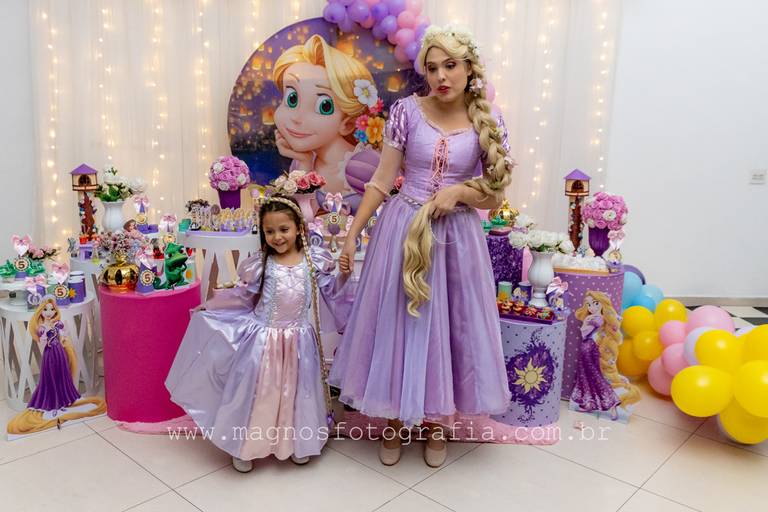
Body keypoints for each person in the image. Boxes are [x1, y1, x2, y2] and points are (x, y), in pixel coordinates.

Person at [330, 25, 515, 468]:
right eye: (432, 68)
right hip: (403, 228)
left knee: (446, 329)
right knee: (399, 324)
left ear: (469, 68)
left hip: (456, 238)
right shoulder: (406, 112)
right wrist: (353, 233)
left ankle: (436, 423)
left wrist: (461, 193)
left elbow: (496, 197)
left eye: (450, 66)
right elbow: (381, 181)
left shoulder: (488, 121)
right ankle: (394, 421)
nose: (440, 76)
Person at [166, 195, 355, 473]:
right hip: (263, 342)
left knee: (295, 393)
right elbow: (242, 297)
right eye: (270, 231)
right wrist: (213, 305)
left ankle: (296, 443)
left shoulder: (313, 261)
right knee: (258, 394)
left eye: (284, 229)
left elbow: (332, 292)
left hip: (299, 341)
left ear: (299, 228)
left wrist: (344, 276)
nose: (277, 237)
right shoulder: (261, 265)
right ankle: (245, 445)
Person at [273, 34, 382, 210]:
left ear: (347, 124)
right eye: (292, 99)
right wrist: (304, 163)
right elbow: (298, 217)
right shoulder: (303, 159)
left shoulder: (364, 165)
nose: (297, 118)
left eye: (324, 106)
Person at [572, 291, 622, 419]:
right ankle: (589, 403)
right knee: (585, 376)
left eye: (595, 304)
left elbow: (584, 333)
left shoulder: (597, 318)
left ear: (602, 304)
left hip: (590, 349)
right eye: (589, 305)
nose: (592, 307)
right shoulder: (592, 318)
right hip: (586, 349)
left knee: (594, 375)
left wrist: (585, 323)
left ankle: (611, 401)